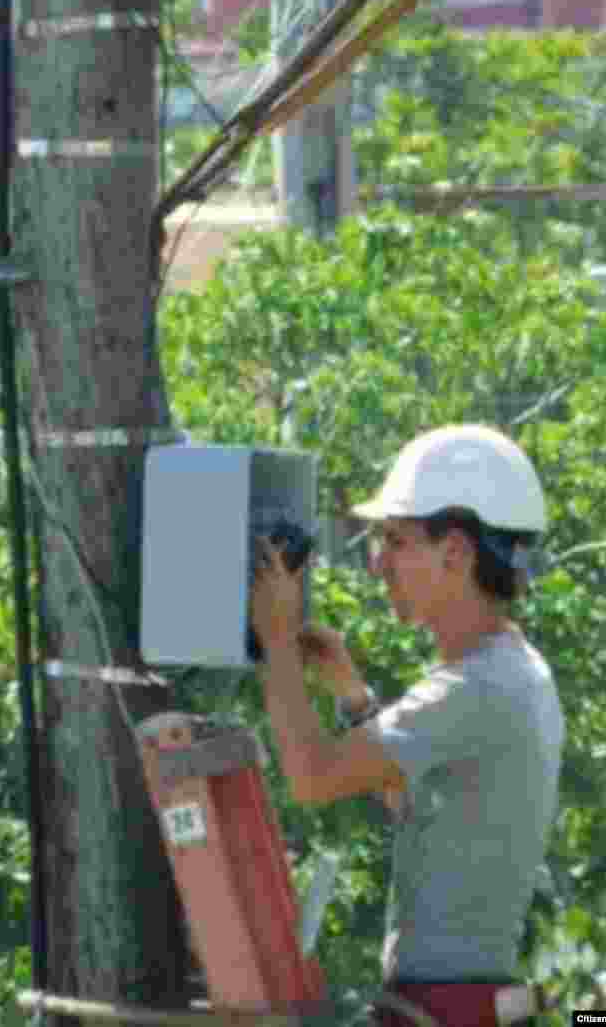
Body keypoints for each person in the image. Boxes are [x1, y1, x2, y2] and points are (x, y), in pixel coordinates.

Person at [249, 424, 564, 1027]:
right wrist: (351, 694)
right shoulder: (510, 672)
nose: (376, 561)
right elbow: (419, 802)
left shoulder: (478, 686)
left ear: (456, 555)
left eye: (394, 539)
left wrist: (278, 641)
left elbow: (312, 779)